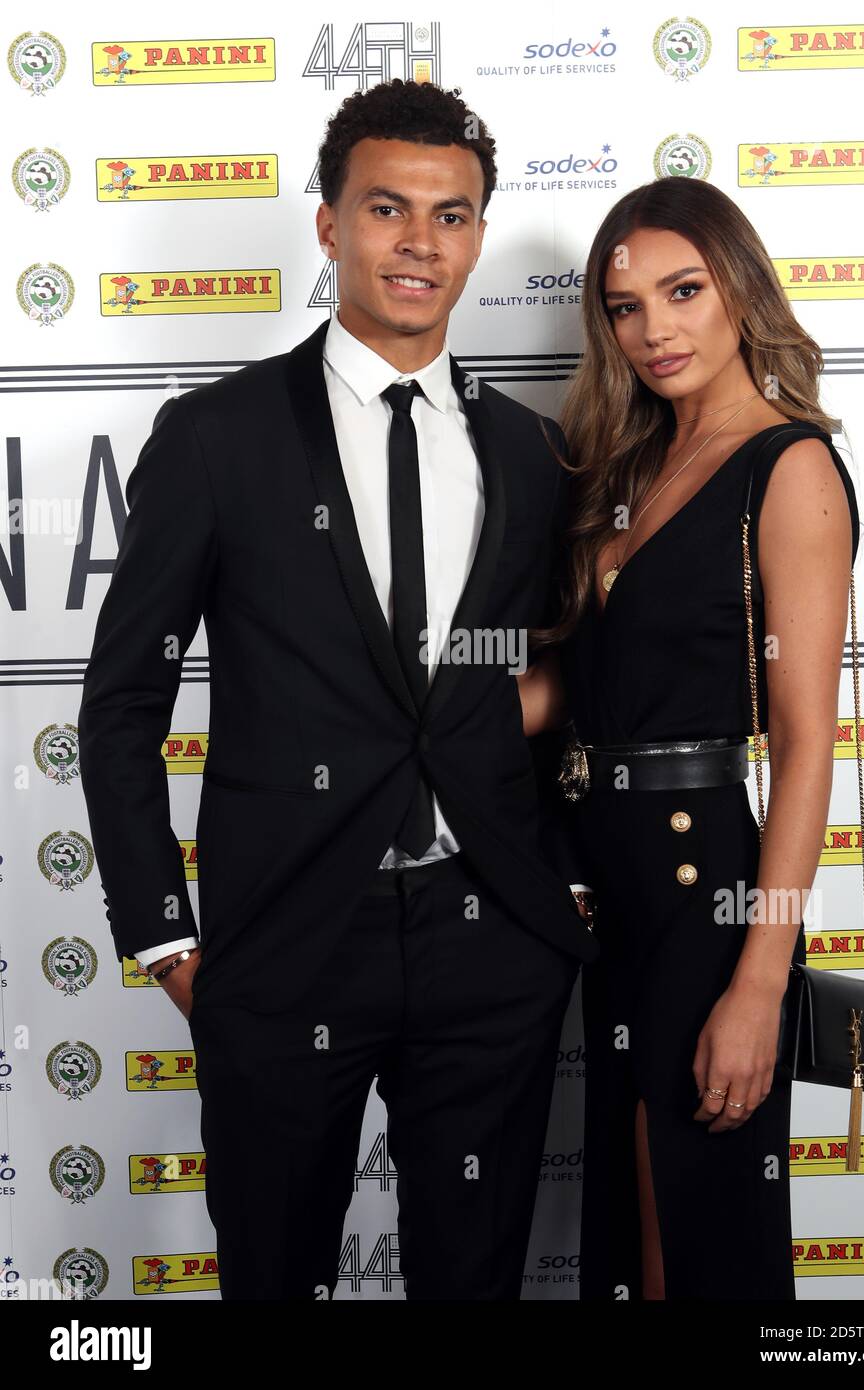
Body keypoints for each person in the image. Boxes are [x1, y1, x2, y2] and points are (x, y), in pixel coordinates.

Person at [77, 77, 597, 1301]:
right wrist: (170, 941)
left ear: (477, 233)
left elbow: (556, 682)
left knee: (474, 1283)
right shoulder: (217, 438)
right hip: (283, 942)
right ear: (329, 225)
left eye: (452, 214)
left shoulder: (528, 453)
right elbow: (121, 705)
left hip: (490, 944)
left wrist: (558, 888)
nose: (420, 242)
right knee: (273, 1276)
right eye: (386, 208)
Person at [516, 177, 860, 1300]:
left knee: (693, 1217)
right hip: (601, 885)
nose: (654, 329)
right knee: (631, 1221)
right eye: (625, 307)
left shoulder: (789, 466)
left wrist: (759, 980)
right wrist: (408, 714)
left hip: (704, 883)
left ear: (738, 291)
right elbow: (570, 688)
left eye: (682, 290)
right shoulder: (624, 466)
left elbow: (806, 743)